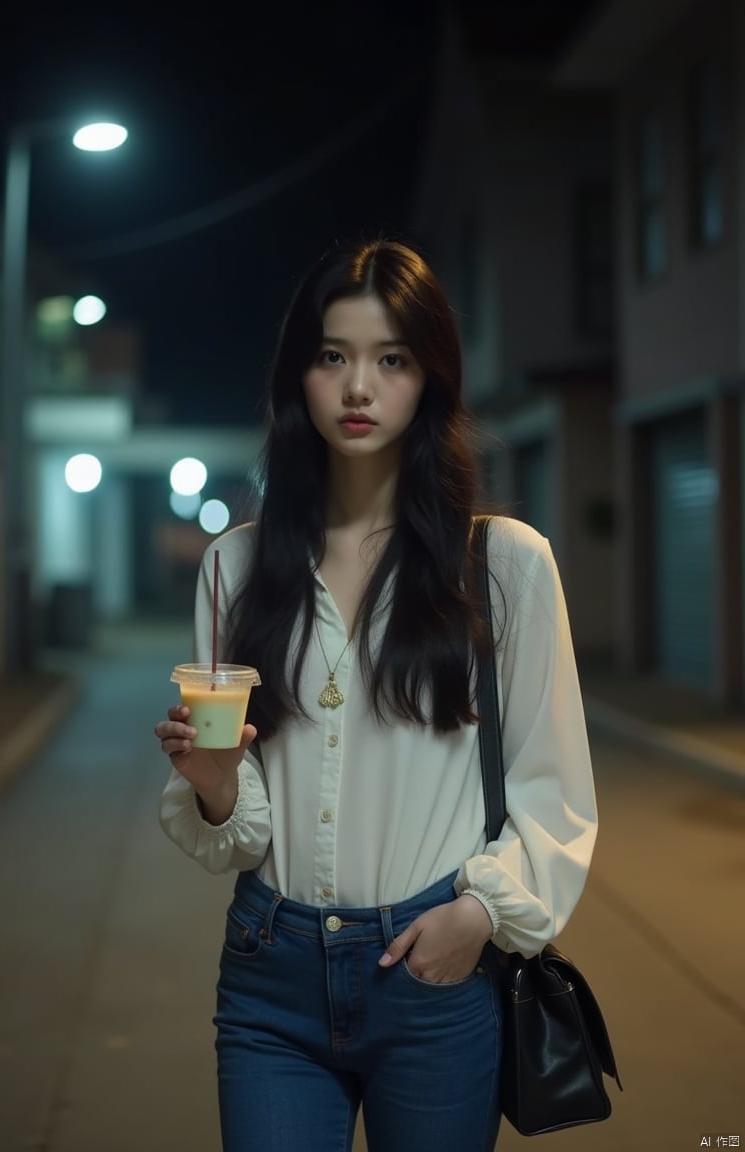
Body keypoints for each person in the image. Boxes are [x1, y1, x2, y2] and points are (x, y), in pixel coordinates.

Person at [154, 238, 598, 1152]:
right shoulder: (237, 568)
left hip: (432, 972)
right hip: (269, 976)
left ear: (428, 377)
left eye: (391, 359)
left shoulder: (504, 564)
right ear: (299, 376)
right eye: (334, 356)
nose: (360, 387)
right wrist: (213, 783)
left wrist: (477, 918)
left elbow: (555, 793)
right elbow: (236, 832)